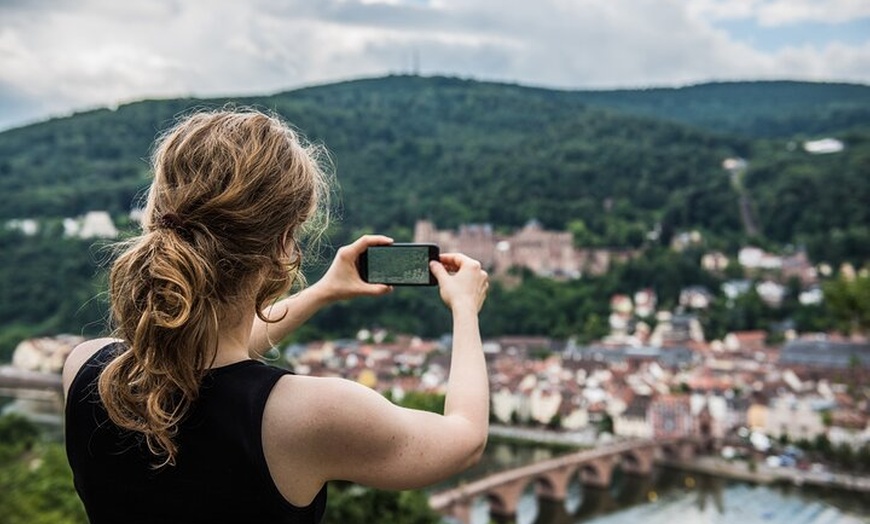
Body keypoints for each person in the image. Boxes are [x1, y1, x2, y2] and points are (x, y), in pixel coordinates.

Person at [62, 109, 490, 524]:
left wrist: (323, 291)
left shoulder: (85, 370)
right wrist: (465, 309)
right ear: (284, 245)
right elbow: (465, 438)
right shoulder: (307, 416)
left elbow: (204, 356)